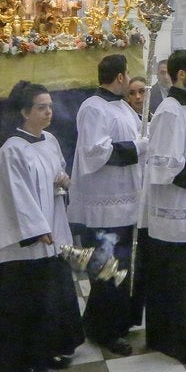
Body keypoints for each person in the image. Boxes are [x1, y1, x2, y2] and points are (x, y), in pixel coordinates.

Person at [0, 81, 83, 372]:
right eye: (41, 107)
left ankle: (49, 349)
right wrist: (37, 228)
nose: (49, 112)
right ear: (24, 112)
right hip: (26, 243)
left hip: (52, 231)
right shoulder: (11, 151)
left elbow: (55, 170)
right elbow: (15, 195)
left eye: (50, 106)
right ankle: (26, 358)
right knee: (27, 300)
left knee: (50, 298)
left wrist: (63, 180)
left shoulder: (49, 140)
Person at [69, 52, 143, 356]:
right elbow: (94, 152)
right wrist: (138, 148)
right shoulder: (93, 108)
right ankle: (106, 332)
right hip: (102, 206)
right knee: (106, 268)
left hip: (125, 202)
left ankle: (106, 322)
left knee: (121, 266)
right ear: (121, 77)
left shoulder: (122, 106)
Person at [140, 49, 186, 365]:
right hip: (173, 210)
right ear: (181, 74)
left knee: (184, 279)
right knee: (174, 282)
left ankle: (176, 335)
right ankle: (174, 341)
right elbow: (164, 165)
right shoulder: (168, 112)